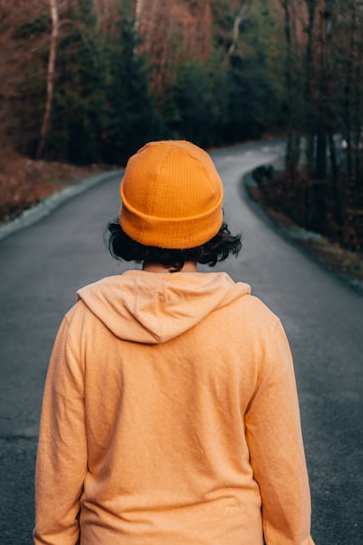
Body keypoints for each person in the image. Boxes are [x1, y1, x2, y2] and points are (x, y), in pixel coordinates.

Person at [33, 140, 314, 544]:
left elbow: (59, 470)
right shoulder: (256, 327)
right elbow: (282, 473)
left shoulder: (84, 324)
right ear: (213, 223)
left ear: (128, 220)